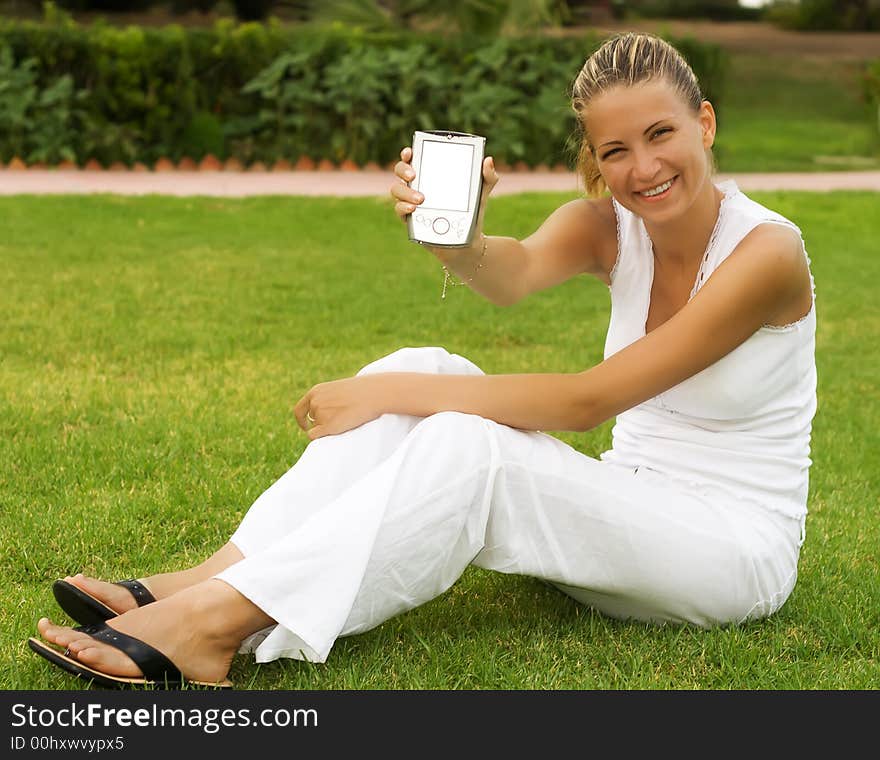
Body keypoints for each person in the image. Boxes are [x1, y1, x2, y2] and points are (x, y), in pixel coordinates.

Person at [28, 31, 816, 689]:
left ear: (704, 124)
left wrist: (386, 395)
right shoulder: (609, 225)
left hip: (729, 551)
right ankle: (204, 578)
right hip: (632, 510)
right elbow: (507, 277)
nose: (643, 168)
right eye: (616, 150)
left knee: (460, 434)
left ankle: (216, 622)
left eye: (661, 135)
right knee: (427, 364)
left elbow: (587, 402)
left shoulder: (767, 253)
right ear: (596, 157)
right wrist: (457, 235)